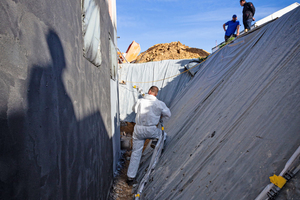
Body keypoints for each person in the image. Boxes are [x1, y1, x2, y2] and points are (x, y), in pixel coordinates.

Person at [127, 86, 171, 185]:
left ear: (149, 91)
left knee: (136, 153)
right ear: (156, 94)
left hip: (138, 128)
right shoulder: (159, 103)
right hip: (151, 129)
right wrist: (160, 114)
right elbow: (168, 114)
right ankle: (155, 141)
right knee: (162, 135)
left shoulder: (140, 101)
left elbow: (134, 109)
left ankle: (130, 178)